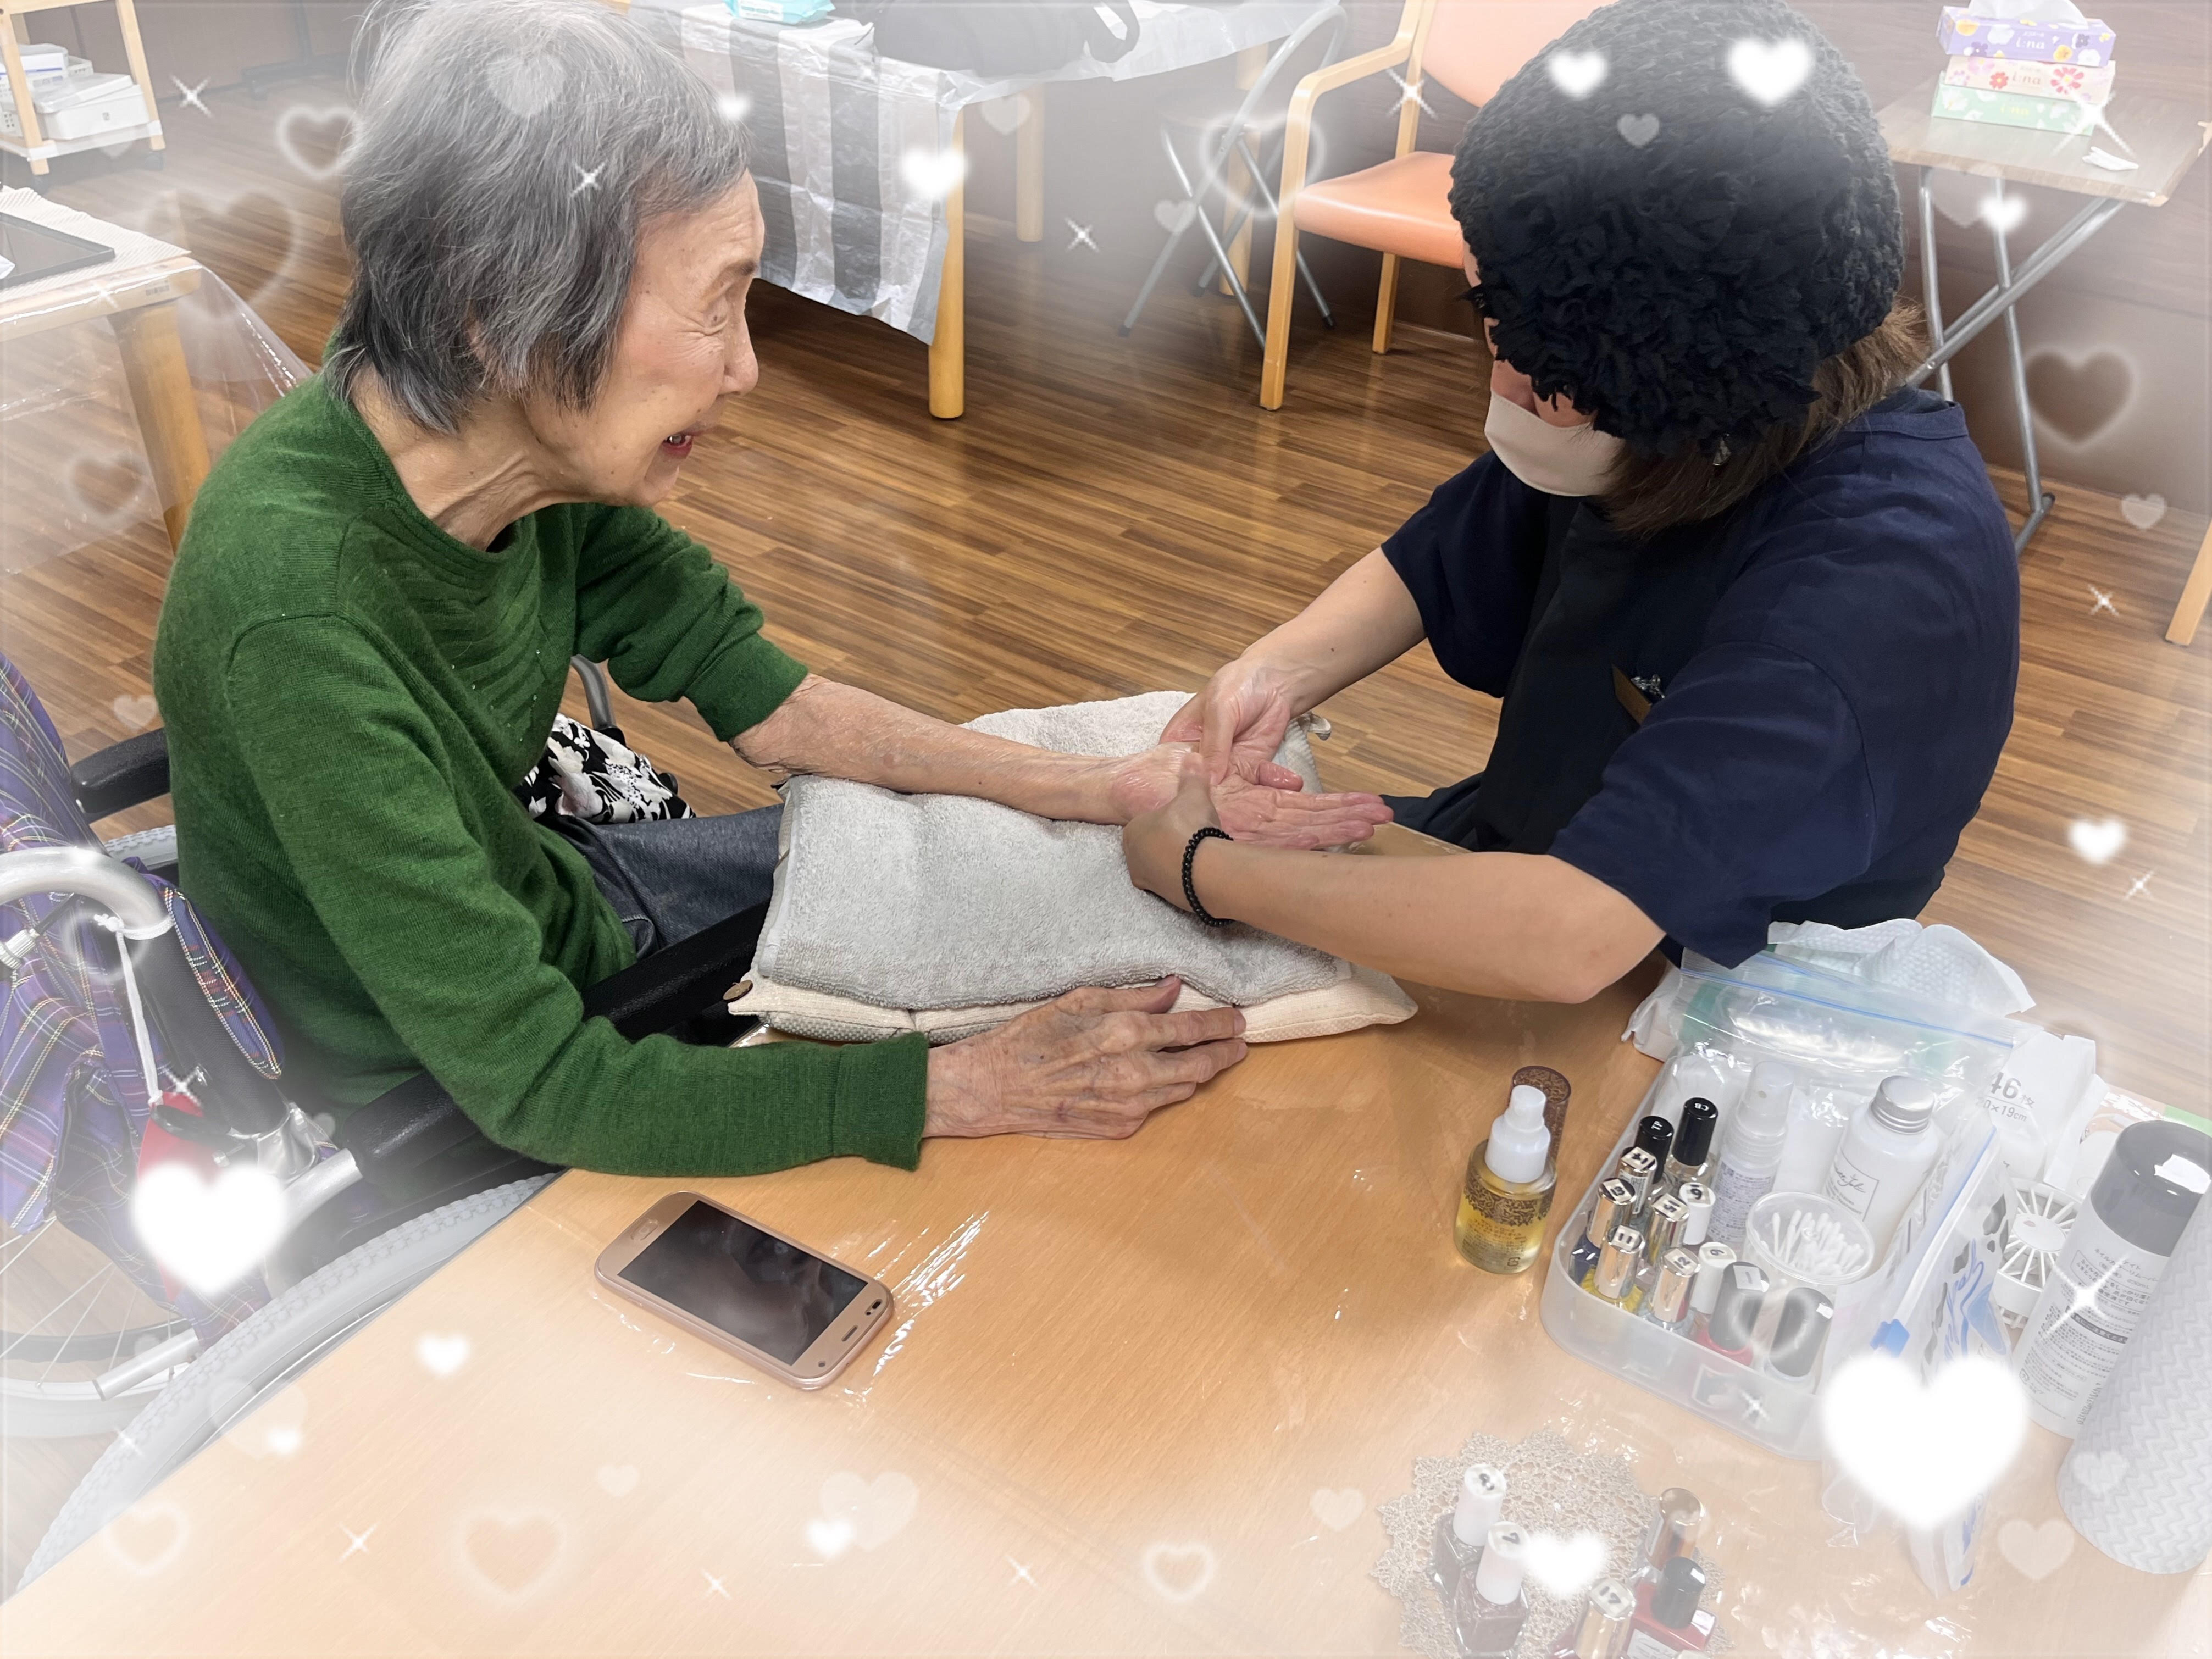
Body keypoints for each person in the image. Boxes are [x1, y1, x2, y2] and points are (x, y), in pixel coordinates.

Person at [152, 0, 1391, 1177]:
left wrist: (1098, 786)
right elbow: (541, 1086)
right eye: (715, 308)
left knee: (1026, 865)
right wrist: (960, 1088)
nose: (747, 369)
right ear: (498, 314)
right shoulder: (301, 616)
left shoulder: (477, 427)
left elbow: (771, 702)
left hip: (563, 900)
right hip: (460, 1088)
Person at [1124, 0, 2019, 1003]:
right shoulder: (1640, 429)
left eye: (1528, 353)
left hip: (1698, 988)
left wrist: (1201, 872)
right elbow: (1438, 557)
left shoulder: (1870, 589)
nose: (1503, 382)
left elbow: (1569, 939)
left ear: (1661, 368)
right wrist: (1269, 677)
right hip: (1525, 844)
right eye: (1489, 320)